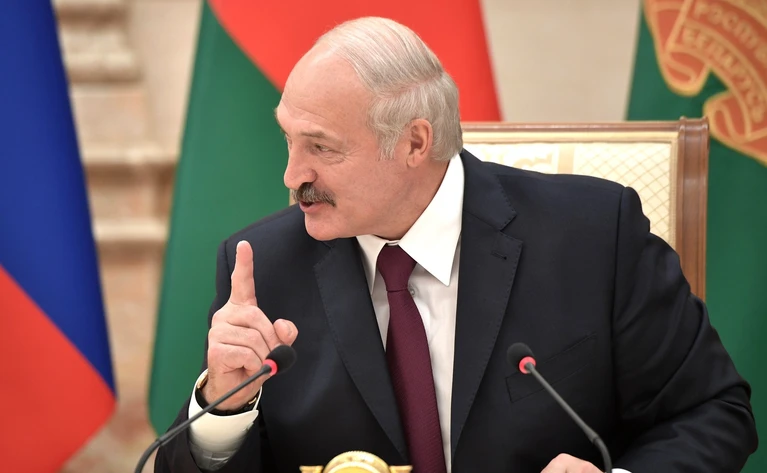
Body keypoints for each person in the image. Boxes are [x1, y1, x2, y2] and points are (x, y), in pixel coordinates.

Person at [154, 16, 757, 473]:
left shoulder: (593, 234)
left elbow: (713, 412)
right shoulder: (262, 267)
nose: (292, 175)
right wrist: (224, 404)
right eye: (289, 139)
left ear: (416, 144)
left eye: (322, 147)